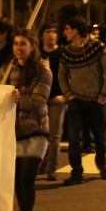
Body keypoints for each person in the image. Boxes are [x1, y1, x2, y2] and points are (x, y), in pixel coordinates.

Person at [0, 29, 51, 211]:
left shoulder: (42, 70)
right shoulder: (6, 69)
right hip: (12, 131)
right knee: (17, 180)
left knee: (27, 176)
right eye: (16, 43)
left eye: (23, 44)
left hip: (35, 130)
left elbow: (39, 102)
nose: (19, 47)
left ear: (32, 47)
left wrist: (20, 98)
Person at [58, 17, 106, 185]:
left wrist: (103, 95)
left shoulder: (98, 47)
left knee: (100, 136)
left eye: (67, 28)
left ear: (75, 30)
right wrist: (68, 94)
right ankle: (77, 172)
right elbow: (62, 75)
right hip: (76, 100)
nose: (65, 32)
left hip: (95, 100)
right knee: (74, 137)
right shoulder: (67, 52)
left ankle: (102, 165)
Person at [37, 23, 65, 181]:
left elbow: (69, 75)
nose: (51, 35)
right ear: (42, 35)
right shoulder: (37, 54)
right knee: (40, 135)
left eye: (54, 32)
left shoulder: (62, 54)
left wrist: (65, 95)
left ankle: (51, 167)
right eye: (48, 32)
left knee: (54, 135)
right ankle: (40, 164)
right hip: (40, 98)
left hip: (58, 99)